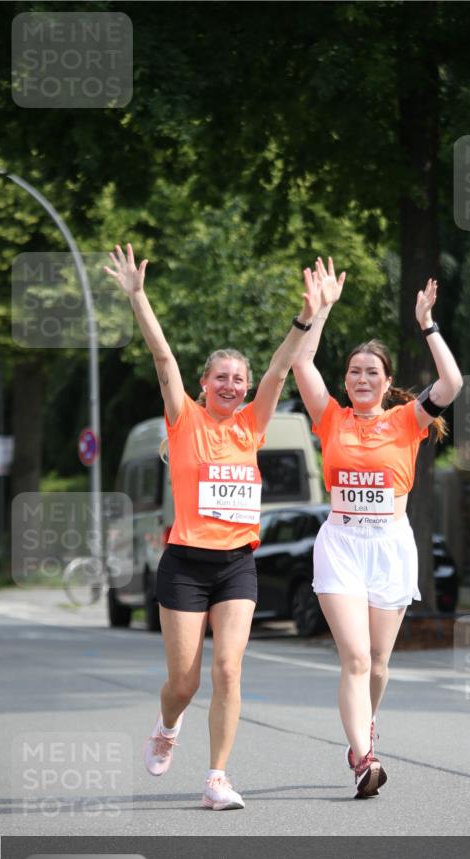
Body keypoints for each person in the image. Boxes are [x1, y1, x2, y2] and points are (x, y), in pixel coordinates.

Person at [105, 243, 327, 810]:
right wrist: (138, 298)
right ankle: (168, 723)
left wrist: (309, 316)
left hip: (236, 565)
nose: (231, 385)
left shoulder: (251, 425)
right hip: (184, 565)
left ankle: (217, 778)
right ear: (204, 384)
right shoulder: (185, 420)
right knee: (187, 682)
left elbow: (281, 365)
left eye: (239, 379)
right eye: (221, 377)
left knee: (229, 668)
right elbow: (162, 359)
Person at [292, 257, 463, 799]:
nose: (361, 379)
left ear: (387, 382)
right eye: (354, 372)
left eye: (372, 372)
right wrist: (318, 311)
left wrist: (427, 325)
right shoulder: (330, 418)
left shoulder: (407, 419)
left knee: (381, 664)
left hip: (389, 545)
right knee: (356, 657)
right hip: (341, 543)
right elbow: (300, 364)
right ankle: (365, 760)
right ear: (345, 381)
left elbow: (452, 382)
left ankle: (364, 726)